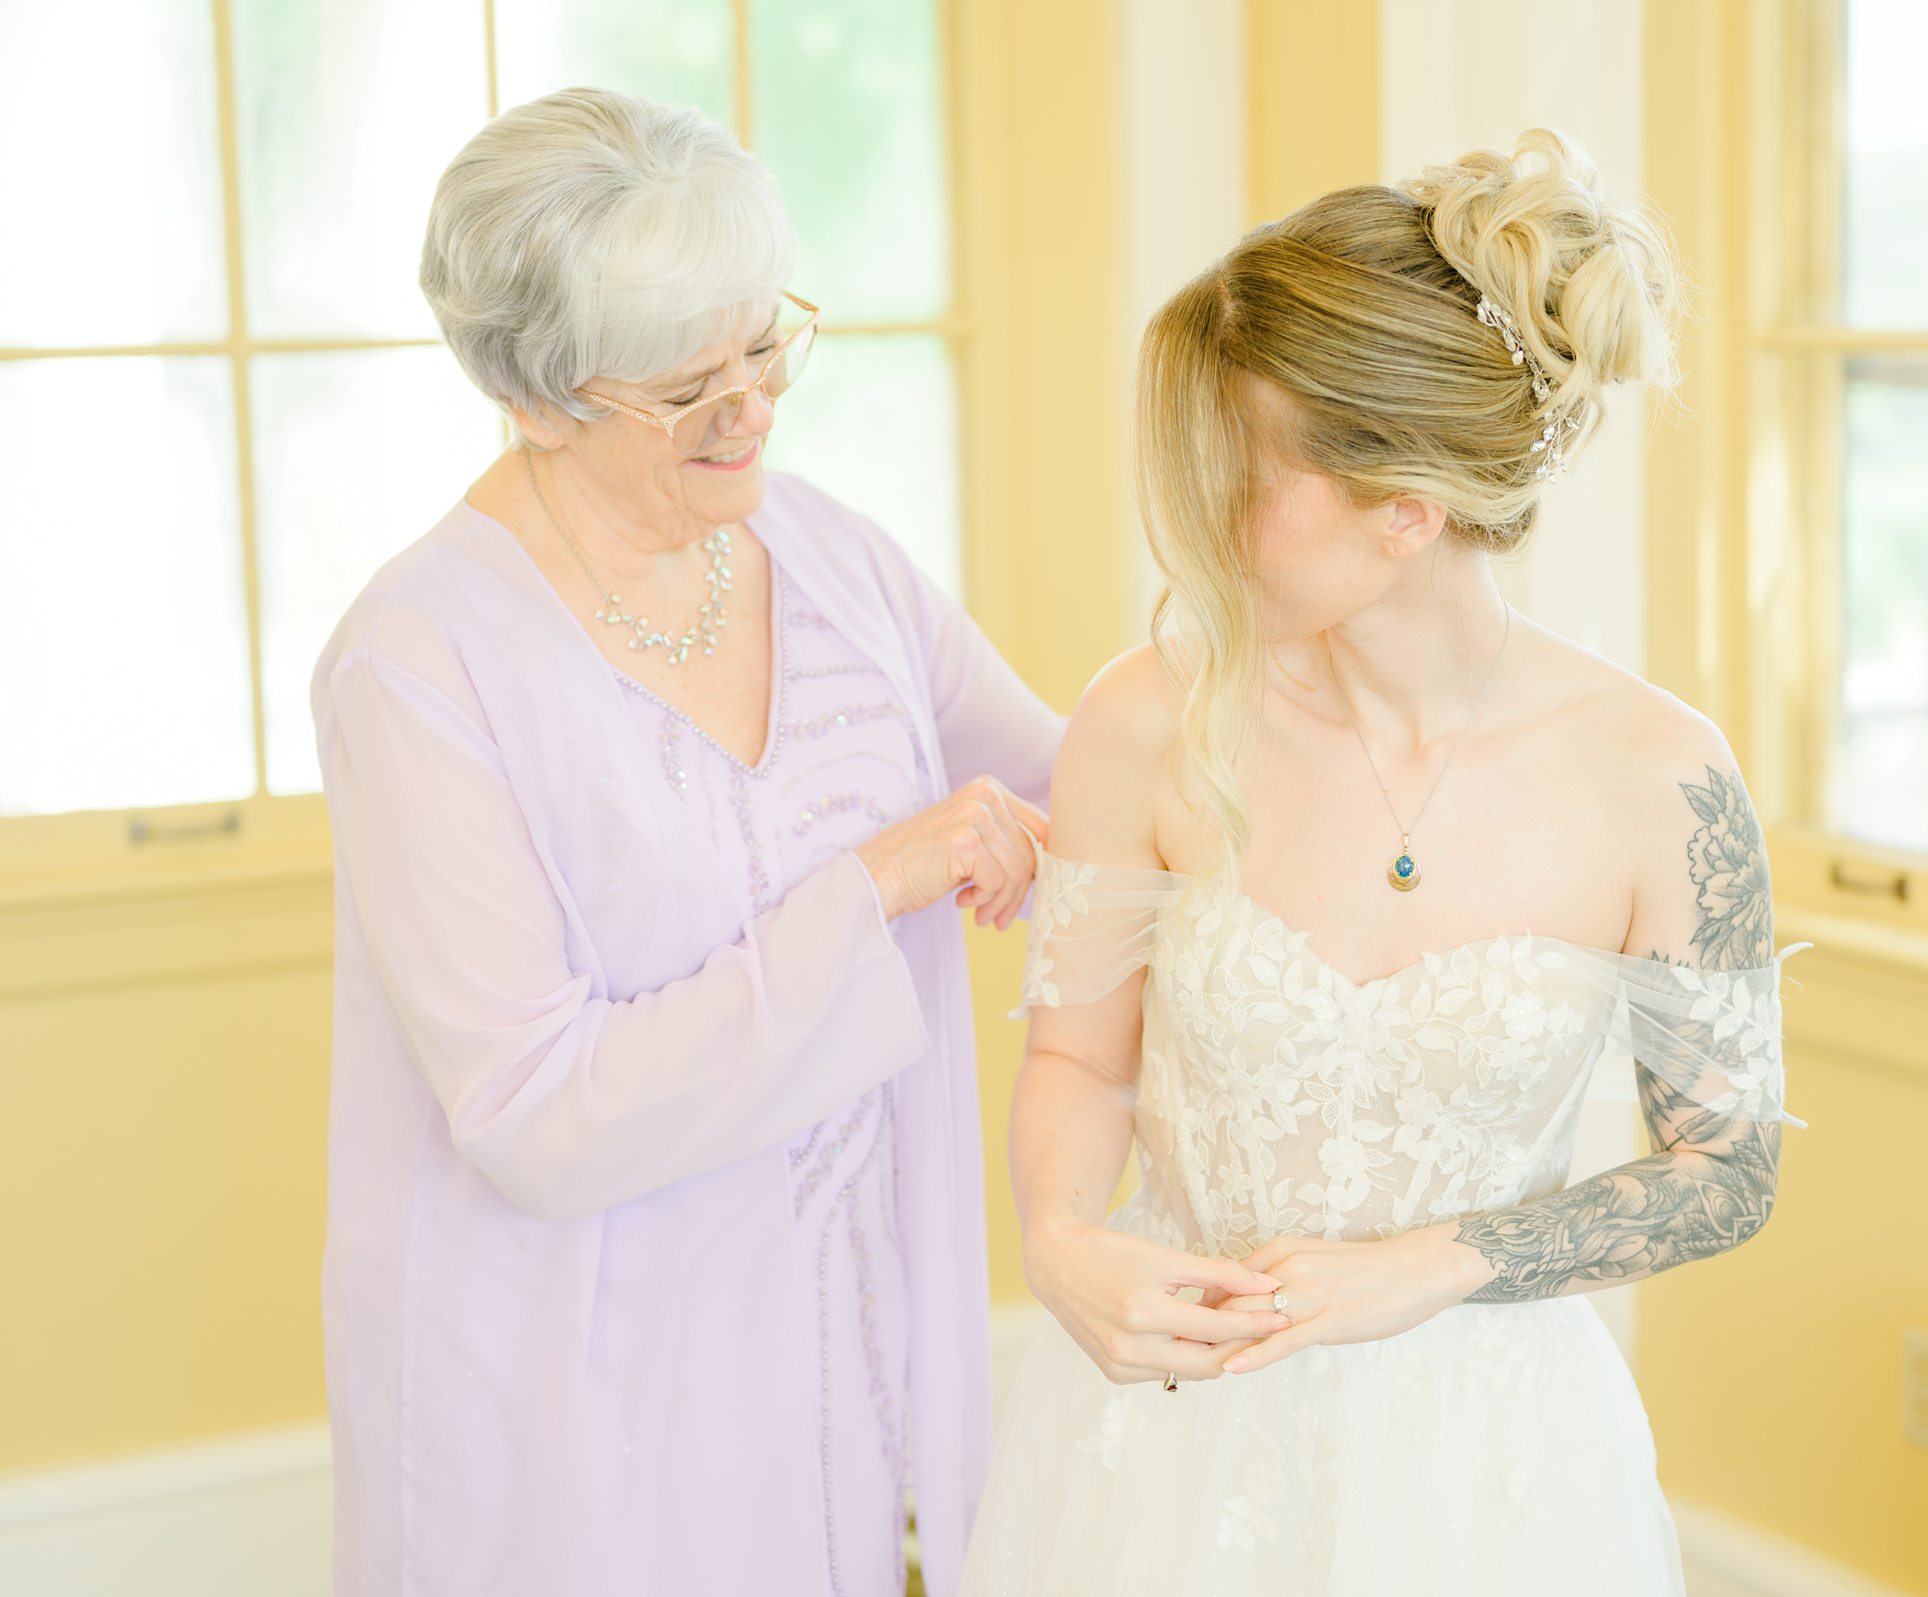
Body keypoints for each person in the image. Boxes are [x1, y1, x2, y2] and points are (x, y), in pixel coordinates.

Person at [960, 129, 1805, 1593]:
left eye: (1244, 477)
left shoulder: (1660, 780)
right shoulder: (1144, 718)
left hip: (1490, 1466)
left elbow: (1725, 1169)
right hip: (1170, 1440)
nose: (1197, 525)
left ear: (1405, 513)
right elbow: (1082, 1063)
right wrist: (1058, 1239)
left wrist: (1428, 1266)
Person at [313, 88, 1060, 1596]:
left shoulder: (836, 558)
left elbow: (1078, 782)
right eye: (683, 385)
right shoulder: (418, 659)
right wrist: (881, 885)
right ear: (533, 396)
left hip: (839, 1334)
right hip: (584, 1384)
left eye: (763, 345)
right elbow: (537, 1110)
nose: (752, 410)